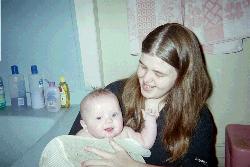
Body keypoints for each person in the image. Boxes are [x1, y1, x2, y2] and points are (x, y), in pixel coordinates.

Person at [69, 23, 217, 167]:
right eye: (143, 66)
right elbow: (70, 145)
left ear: (183, 77)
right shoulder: (113, 94)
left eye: (158, 74)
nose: (145, 79)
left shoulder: (198, 118)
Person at [76, 88, 158, 149]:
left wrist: (150, 121)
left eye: (114, 115)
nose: (109, 121)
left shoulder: (126, 133)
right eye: (99, 118)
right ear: (85, 125)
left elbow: (146, 142)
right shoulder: (82, 137)